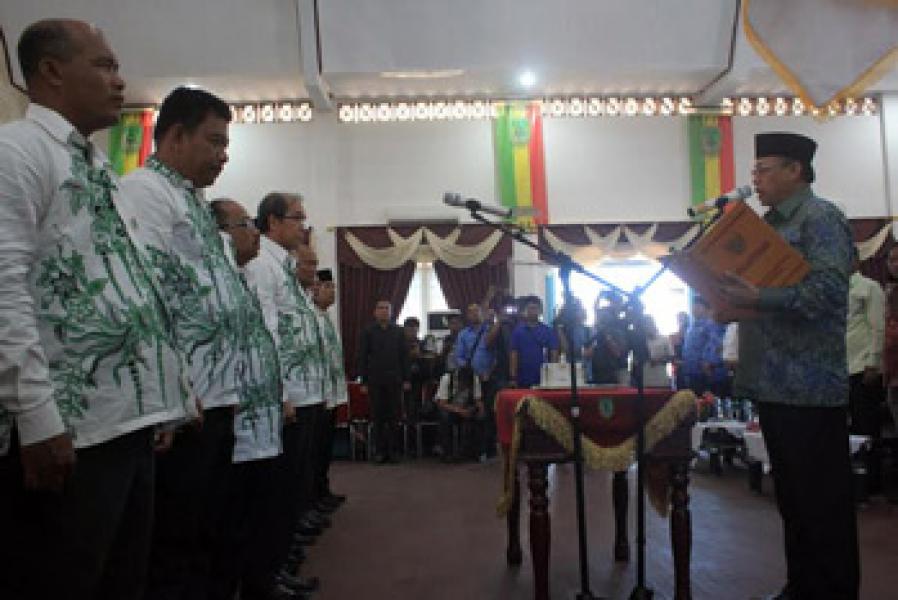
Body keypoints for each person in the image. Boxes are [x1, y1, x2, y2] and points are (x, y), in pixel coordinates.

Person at [0, 20, 188, 600]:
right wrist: (36, 416)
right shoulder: (18, 150)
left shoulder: (100, 169)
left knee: (121, 581)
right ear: (52, 72)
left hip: (124, 419)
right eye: (104, 65)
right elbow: (5, 286)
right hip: (71, 428)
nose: (119, 79)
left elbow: (129, 286)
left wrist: (162, 395)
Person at [117, 85, 249, 600]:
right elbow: (143, 288)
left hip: (215, 396)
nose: (224, 155)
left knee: (206, 527)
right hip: (185, 399)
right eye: (214, 142)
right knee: (174, 540)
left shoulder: (191, 200)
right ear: (174, 136)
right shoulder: (144, 192)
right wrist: (169, 386)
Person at [719, 132, 858, 600]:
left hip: (809, 385)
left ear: (795, 170)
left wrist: (760, 297)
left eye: (763, 170)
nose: (754, 179)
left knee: (823, 504)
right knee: (794, 502)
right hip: (772, 381)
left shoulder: (821, 218)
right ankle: (802, 587)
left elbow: (828, 293)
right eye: (754, 171)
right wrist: (732, 304)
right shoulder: (769, 226)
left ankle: (833, 591)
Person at [205, 200, 293, 600]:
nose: (253, 232)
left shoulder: (242, 273)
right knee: (231, 517)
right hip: (230, 407)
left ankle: (264, 575)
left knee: (260, 507)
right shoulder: (245, 271)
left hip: (258, 405)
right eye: (246, 225)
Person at [244, 192, 318, 598]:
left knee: (290, 489)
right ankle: (265, 576)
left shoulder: (283, 265)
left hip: (301, 391)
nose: (304, 225)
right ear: (273, 221)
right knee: (275, 493)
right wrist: (282, 392)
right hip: (285, 393)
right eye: (297, 218)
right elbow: (267, 330)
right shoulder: (262, 264)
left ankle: (278, 567)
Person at [846, 247, 886, 494]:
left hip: (863, 366)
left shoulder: (869, 287)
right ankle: (851, 481)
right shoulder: (833, 289)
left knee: (866, 428)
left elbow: (877, 326)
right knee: (845, 429)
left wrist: (873, 362)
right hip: (839, 369)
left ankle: (872, 484)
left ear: (855, 260)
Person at [311, 269, 348, 512]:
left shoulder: (326, 317)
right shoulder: (312, 317)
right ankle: (312, 497)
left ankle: (322, 491)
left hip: (332, 392)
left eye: (334, 287)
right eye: (327, 287)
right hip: (318, 393)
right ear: (314, 289)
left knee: (324, 448)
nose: (332, 292)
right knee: (313, 450)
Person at [358, 300, 410, 463]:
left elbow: (405, 357)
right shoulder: (368, 331)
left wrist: (406, 378)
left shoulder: (399, 331)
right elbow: (362, 357)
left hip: (395, 380)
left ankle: (394, 451)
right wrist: (363, 381)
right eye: (380, 308)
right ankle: (379, 452)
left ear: (391, 312)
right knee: (378, 417)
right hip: (374, 381)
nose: (383, 311)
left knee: (394, 417)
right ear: (375, 312)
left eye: (386, 308)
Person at [434, 367, 484, 462]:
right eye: (463, 384)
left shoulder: (475, 380)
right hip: (449, 409)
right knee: (444, 417)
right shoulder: (447, 379)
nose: (464, 387)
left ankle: (467, 452)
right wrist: (459, 411)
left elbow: (478, 400)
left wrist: (480, 410)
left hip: (466, 408)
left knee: (476, 419)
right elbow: (442, 403)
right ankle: (446, 452)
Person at [509, 296, 559, 388]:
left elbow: (554, 354)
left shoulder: (548, 331)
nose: (532, 311)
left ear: (540, 311)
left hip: (544, 379)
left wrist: (553, 376)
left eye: (535, 308)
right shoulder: (518, 331)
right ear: (525, 311)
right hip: (522, 378)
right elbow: (513, 355)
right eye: (529, 308)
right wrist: (512, 377)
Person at [587, 291, 628, 384]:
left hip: (615, 366)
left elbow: (618, 352)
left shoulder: (621, 323)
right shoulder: (604, 313)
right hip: (599, 365)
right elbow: (595, 309)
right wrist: (599, 295)